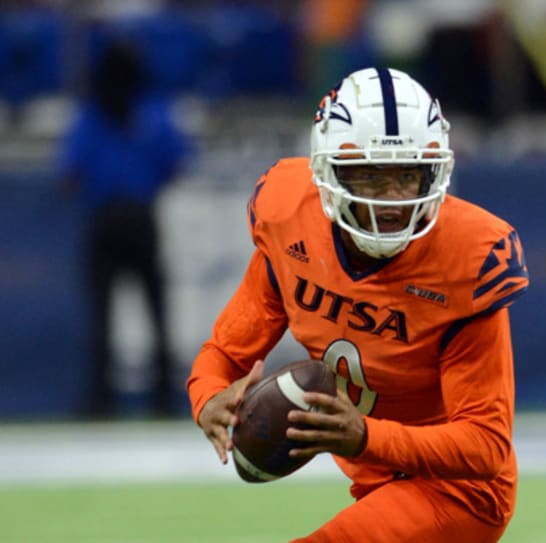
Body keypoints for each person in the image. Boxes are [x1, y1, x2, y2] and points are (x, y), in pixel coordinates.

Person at [186, 67, 528, 542]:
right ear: (329, 172)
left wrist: (367, 437)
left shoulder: (467, 259)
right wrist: (207, 400)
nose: (391, 200)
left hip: (460, 491)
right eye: (370, 175)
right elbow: (223, 354)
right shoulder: (291, 219)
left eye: (407, 174)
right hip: (378, 478)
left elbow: (486, 445)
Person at [59, 39, 193, 419]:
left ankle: (101, 401)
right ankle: (163, 399)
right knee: (155, 310)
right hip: (138, 216)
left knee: (103, 314)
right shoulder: (152, 112)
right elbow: (177, 162)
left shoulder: (91, 114)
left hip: (106, 217)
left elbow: (69, 173)